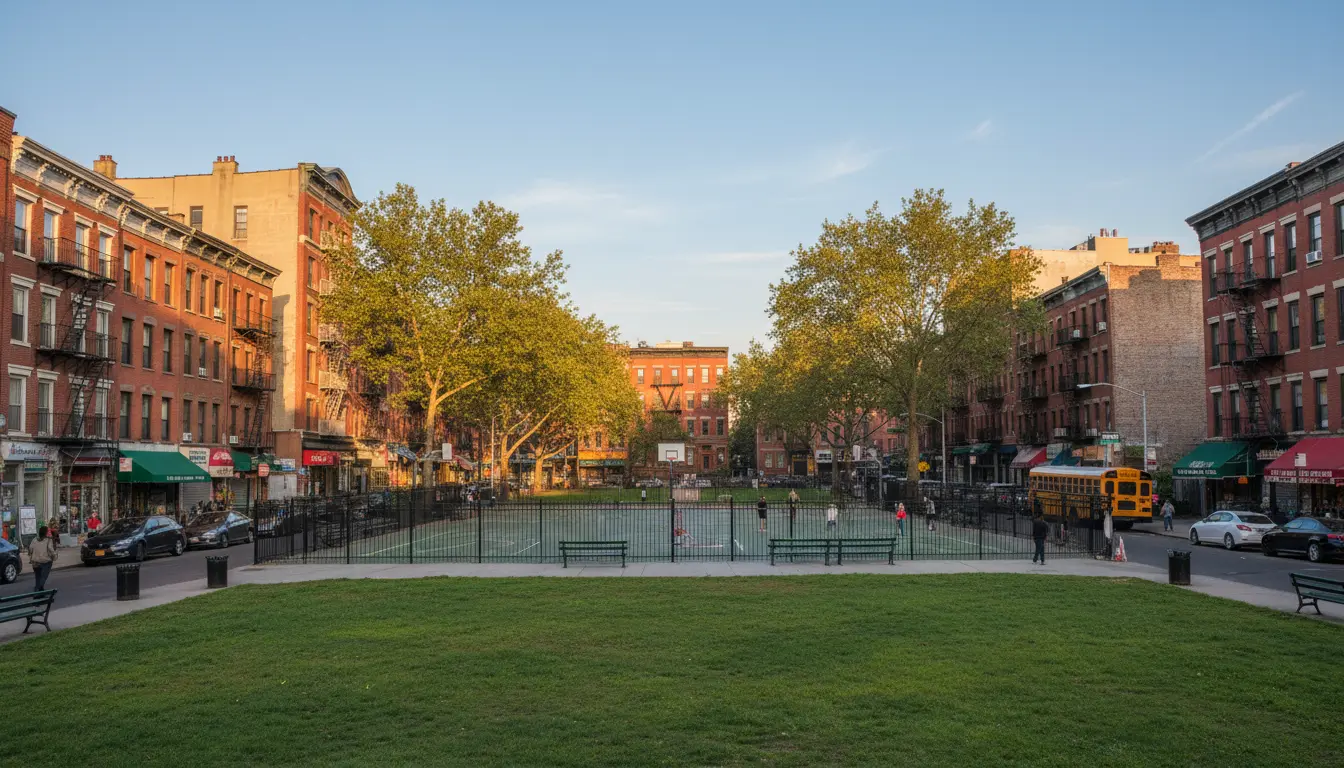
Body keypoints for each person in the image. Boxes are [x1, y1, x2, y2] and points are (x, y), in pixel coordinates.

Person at [28, 525, 58, 591]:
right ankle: (38, 588)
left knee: (37, 577)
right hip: (45, 562)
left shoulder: (34, 539)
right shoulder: (48, 540)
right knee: (44, 576)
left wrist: (31, 555)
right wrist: (55, 556)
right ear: (46, 533)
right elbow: (51, 549)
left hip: (35, 562)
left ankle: (39, 590)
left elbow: (30, 549)